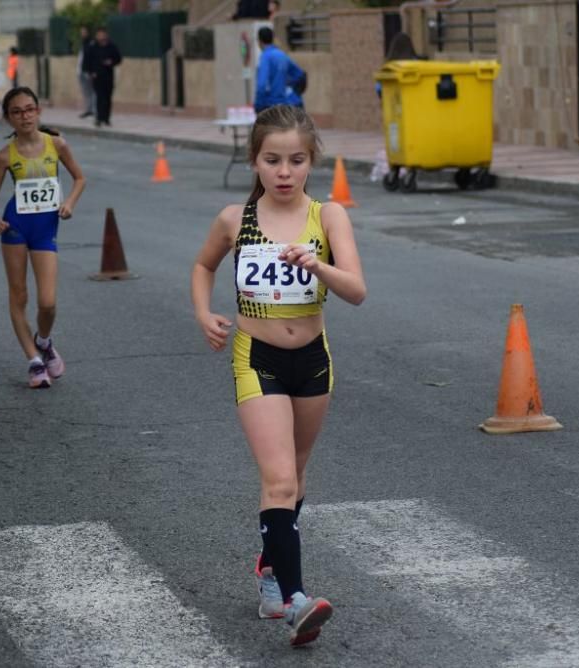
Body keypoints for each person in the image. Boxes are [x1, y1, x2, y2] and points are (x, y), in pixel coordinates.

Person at [190, 105, 366, 646]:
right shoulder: (233, 219)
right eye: (272, 160)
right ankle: (295, 601)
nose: (284, 171)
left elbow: (356, 291)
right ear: (255, 161)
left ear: (311, 161)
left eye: (295, 160)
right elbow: (203, 267)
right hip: (257, 358)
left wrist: (318, 266)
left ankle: (269, 568)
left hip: (313, 358)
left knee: (298, 475)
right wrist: (204, 313)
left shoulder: (329, 216)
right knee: (280, 480)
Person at [0, 87, 87, 388]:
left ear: (38, 111)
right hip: (15, 228)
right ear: (8, 119)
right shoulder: (4, 156)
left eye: (29, 109)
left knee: (47, 302)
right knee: (19, 296)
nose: (25, 116)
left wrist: (69, 203)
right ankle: (33, 361)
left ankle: (43, 340)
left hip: (45, 228)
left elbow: (80, 178)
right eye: (17, 112)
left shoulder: (56, 145)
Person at [253, 27, 304, 112]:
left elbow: (262, 85)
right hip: (285, 103)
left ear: (259, 41)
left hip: (271, 104)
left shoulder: (265, 57)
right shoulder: (282, 55)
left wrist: (258, 104)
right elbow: (299, 74)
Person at [85, 27, 121, 128]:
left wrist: (111, 62)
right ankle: (99, 118)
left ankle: (106, 118)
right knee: (99, 97)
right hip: (97, 76)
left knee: (107, 98)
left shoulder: (111, 46)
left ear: (106, 35)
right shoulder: (93, 46)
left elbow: (118, 58)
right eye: (99, 34)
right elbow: (87, 60)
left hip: (108, 76)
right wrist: (91, 72)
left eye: (102, 34)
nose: (101, 36)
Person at [76, 27, 95, 119]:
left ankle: (93, 110)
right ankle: (88, 109)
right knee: (85, 92)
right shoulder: (83, 43)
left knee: (92, 91)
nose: (82, 34)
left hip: (88, 71)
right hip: (81, 71)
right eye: (81, 32)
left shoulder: (91, 43)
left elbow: (92, 58)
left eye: (84, 32)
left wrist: (91, 71)